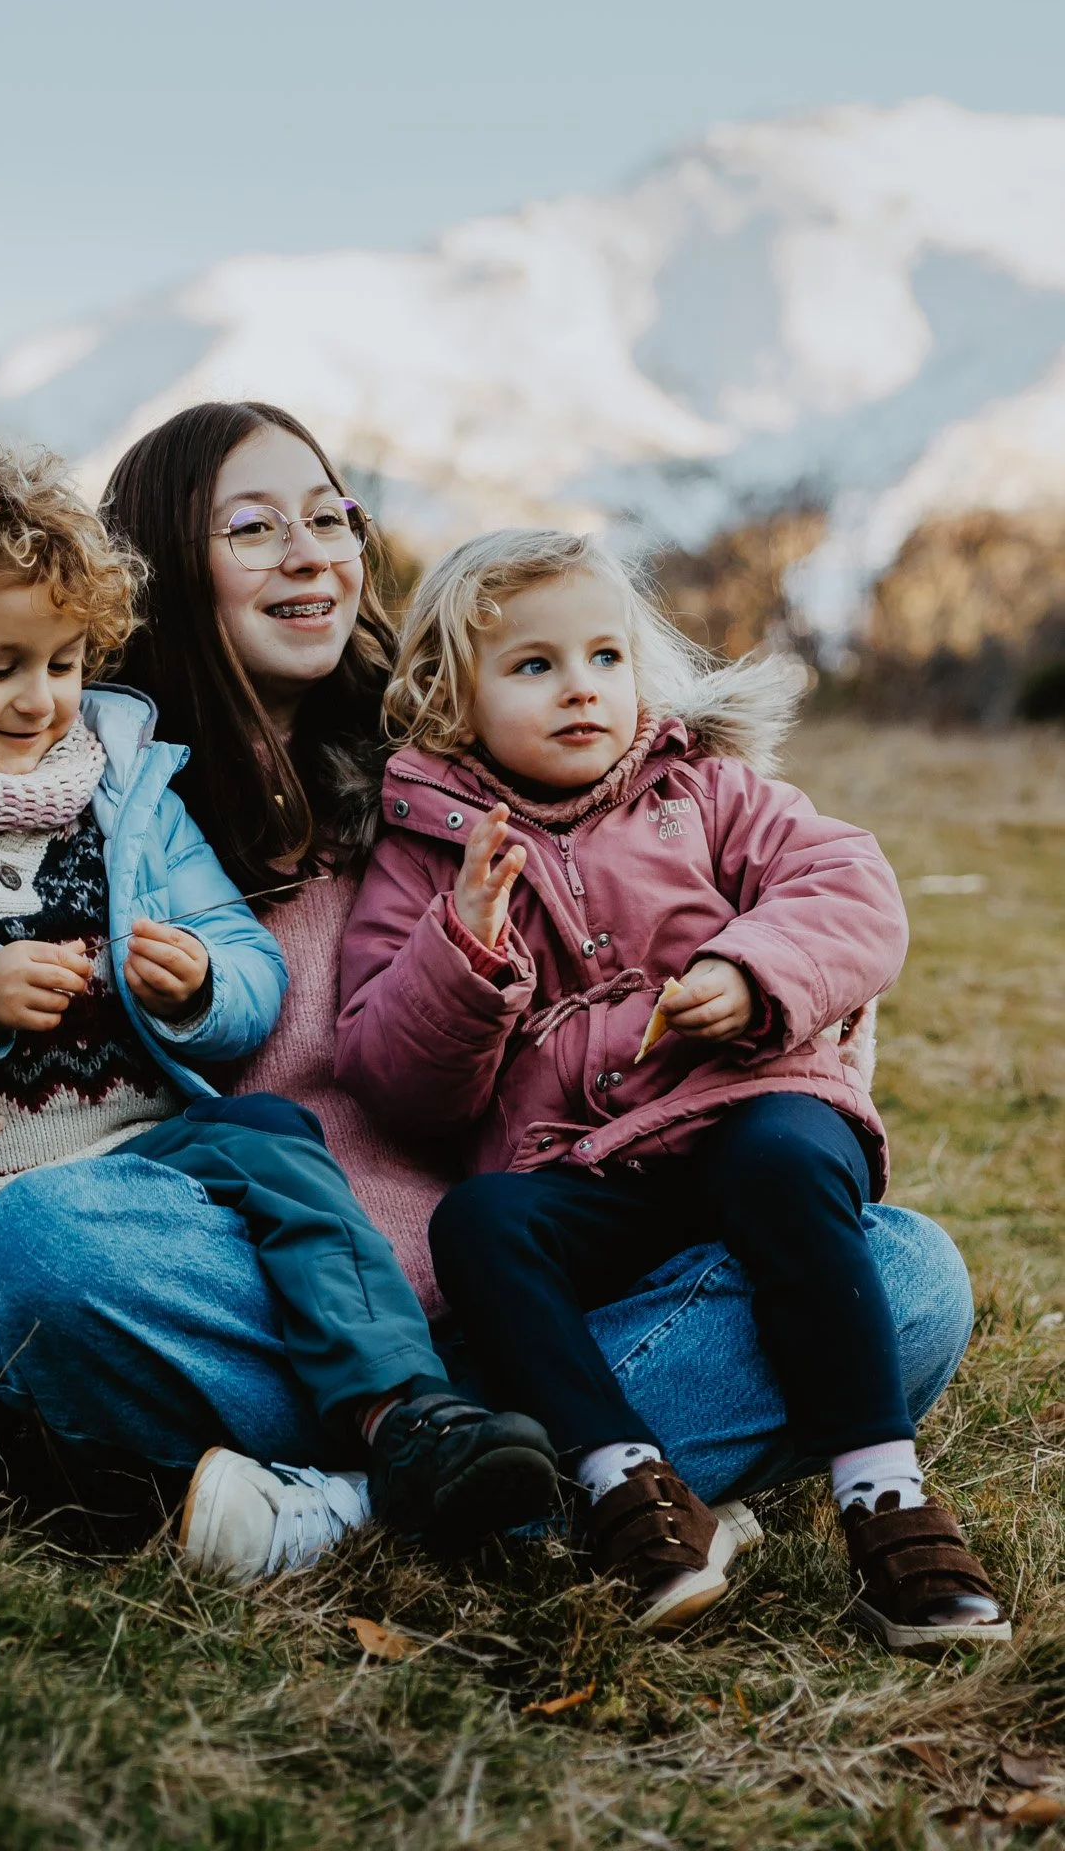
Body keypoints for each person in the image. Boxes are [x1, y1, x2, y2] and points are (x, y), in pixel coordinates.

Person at [0, 402, 976, 1588]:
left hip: (542, 1265)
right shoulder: (100, 809)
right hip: (280, 1305)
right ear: (166, 563)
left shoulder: (474, 765)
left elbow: (751, 946)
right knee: (43, 1245)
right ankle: (524, 1468)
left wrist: (751, 1006)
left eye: (331, 518)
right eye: (255, 527)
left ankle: (358, 1501)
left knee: (912, 1277)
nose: (310, 554)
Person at [0, 440, 560, 1558]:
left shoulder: (134, 788)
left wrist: (202, 985)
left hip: (152, 1155)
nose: (43, 700)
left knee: (267, 1136)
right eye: (2, 667)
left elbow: (241, 968)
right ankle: (220, 1495)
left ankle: (409, 1418)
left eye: (69, 662)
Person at [335, 526, 1009, 1652]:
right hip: (588, 1169)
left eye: (605, 655)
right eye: (535, 666)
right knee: (482, 1222)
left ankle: (883, 1493)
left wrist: (754, 973)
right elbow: (393, 1081)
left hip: (752, 1112)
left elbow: (849, 884)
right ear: (453, 704)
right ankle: (625, 1479)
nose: (580, 689)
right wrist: (466, 943)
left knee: (784, 1158)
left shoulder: (703, 790)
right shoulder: (425, 856)